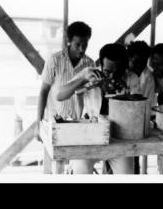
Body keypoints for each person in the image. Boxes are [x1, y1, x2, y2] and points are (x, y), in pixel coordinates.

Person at [56, 43, 134, 174]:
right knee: (81, 171)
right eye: (107, 72)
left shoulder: (131, 79)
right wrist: (83, 80)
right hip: (90, 136)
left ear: (125, 68)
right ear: (101, 65)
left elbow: (138, 110)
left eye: (117, 73)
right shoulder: (89, 73)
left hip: (119, 138)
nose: (112, 77)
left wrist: (126, 92)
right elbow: (59, 95)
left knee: (126, 175)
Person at [37, 21, 94, 128]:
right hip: (55, 122)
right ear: (69, 41)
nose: (82, 49)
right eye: (77, 44)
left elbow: (90, 96)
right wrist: (38, 124)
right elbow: (44, 91)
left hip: (79, 124)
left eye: (85, 45)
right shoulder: (54, 60)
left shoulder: (90, 64)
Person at [126, 41, 155, 174]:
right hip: (121, 121)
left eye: (143, 62)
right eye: (136, 62)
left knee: (134, 158)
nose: (139, 66)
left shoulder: (148, 76)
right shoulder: (123, 73)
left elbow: (148, 103)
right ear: (129, 58)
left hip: (139, 124)